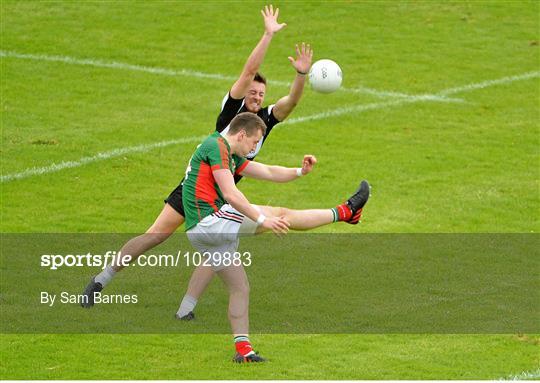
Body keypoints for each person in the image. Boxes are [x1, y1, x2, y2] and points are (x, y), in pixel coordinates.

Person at [81, 5, 313, 308]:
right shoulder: (232, 111)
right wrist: (268, 35)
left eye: (260, 94)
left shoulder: (266, 119)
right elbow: (247, 72)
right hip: (196, 190)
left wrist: (301, 74)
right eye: (253, 92)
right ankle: (102, 279)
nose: (257, 97)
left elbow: (293, 101)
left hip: (223, 196)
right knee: (155, 236)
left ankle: (186, 310)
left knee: (218, 248)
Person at [179, 112, 370, 362]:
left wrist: (300, 172)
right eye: (254, 142)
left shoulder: (227, 151)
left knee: (240, 287)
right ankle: (345, 212)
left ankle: (243, 351)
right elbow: (230, 193)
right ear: (241, 134)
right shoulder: (217, 146)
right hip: (211, 222)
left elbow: (268, 171)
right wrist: (262, 220)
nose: (254, 147)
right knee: (280, 215)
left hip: (199, 232)